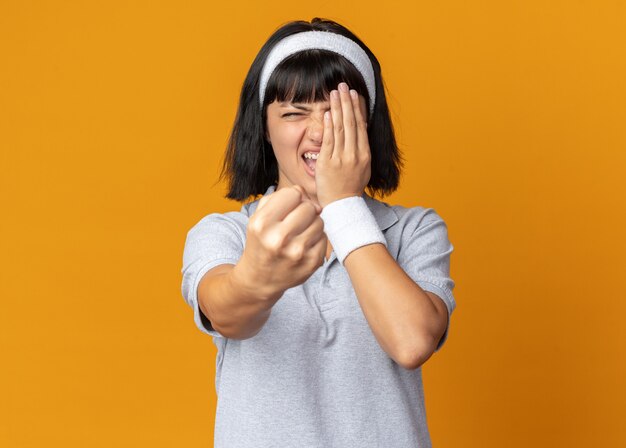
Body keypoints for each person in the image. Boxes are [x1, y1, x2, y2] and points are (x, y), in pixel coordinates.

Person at [181, 17, 456, 448]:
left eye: (337, 113)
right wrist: (257, 274)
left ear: (366, 123)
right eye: (294, 113)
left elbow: (411, 341)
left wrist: (342, 204)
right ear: (265, 128)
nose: (319, 131)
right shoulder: (226, 234)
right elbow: (228, 314)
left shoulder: (414, 230)